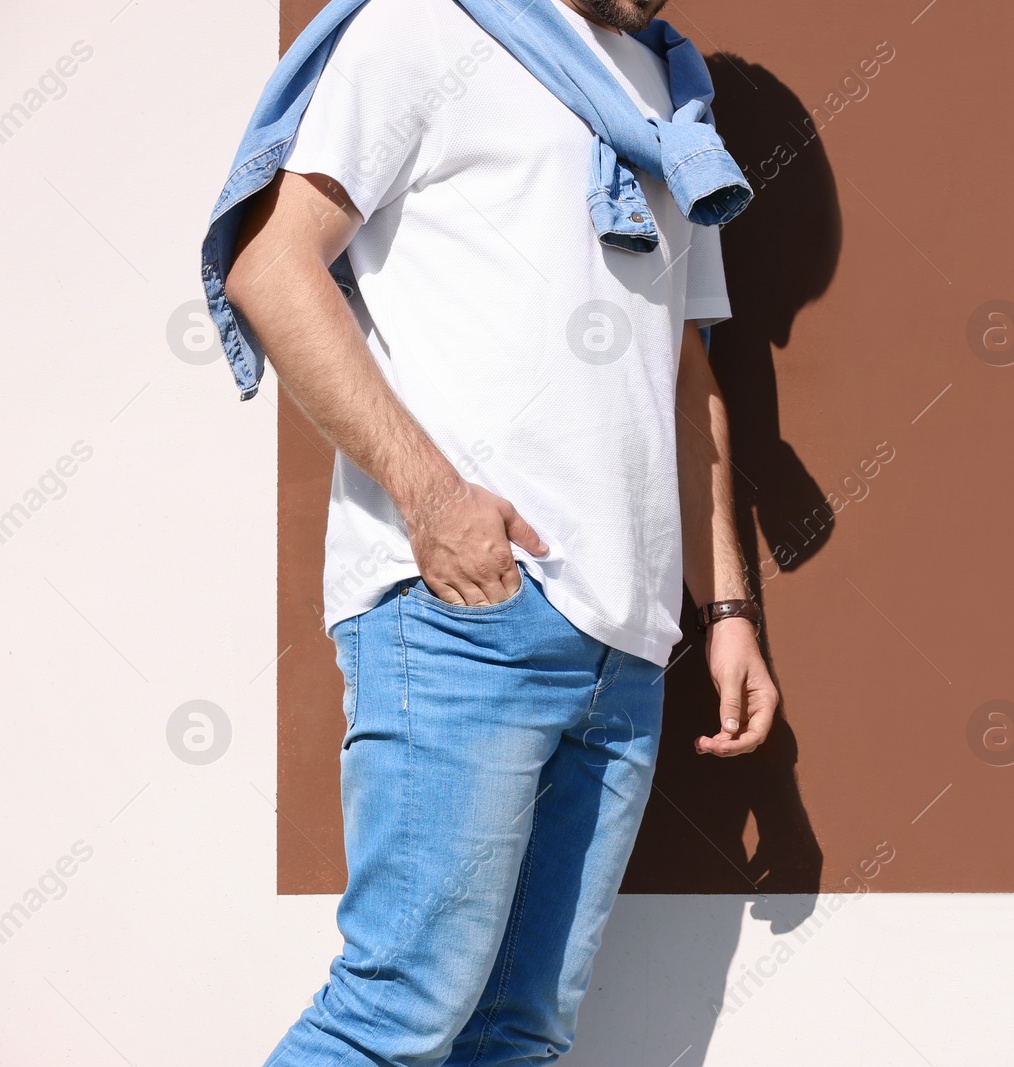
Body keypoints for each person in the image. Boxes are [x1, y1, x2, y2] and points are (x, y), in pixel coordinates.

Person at [220, 0, 778, 1061]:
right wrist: (431, 496)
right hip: (466, 618)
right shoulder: (423, 29)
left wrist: (730, 609)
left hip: (626, 646)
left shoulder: (668, 101)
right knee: (395, 1012)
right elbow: (270, 265)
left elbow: (686, 368)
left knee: (517, 1032)